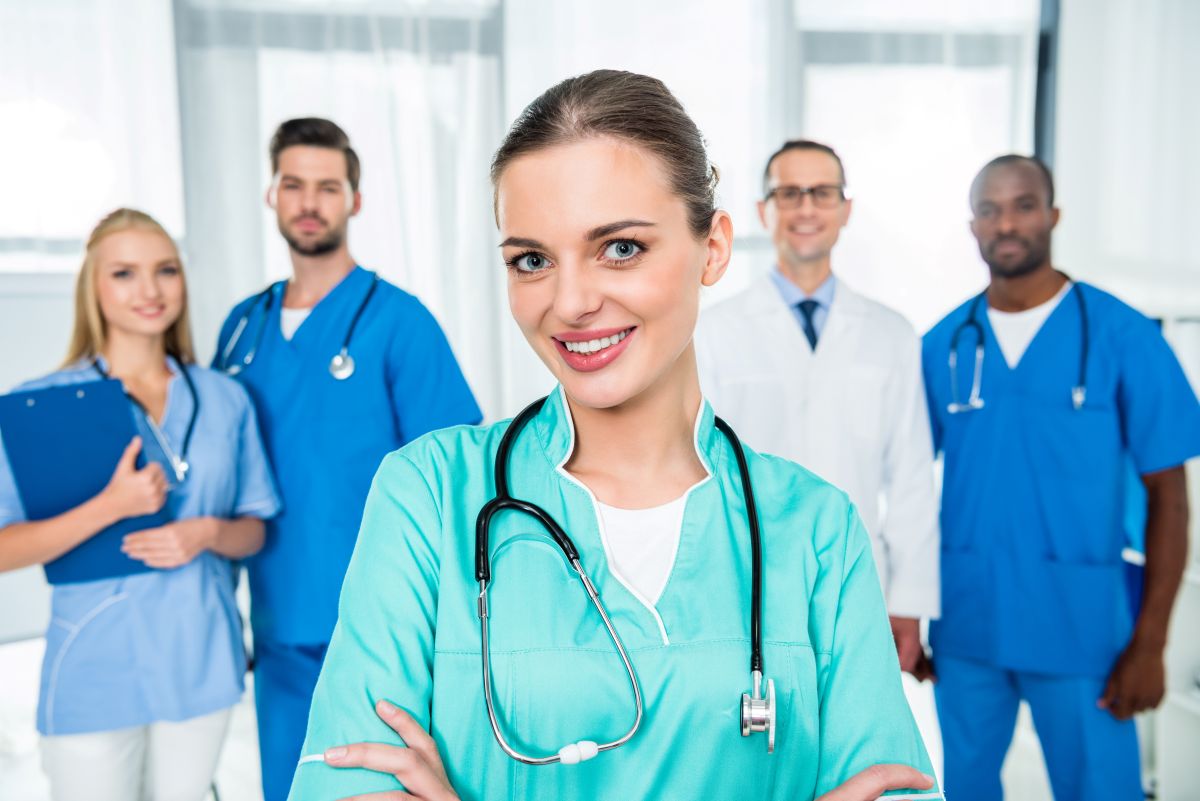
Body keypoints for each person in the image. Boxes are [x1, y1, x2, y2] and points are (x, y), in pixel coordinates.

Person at [286, 71, 940, 801]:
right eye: (532, 260)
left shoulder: (816, 528)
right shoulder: (431, 495)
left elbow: (897, 786)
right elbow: (344, 782)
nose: (570, 302)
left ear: (714, 248)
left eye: (620, 248)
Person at [213, 117, 482, 801]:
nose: (310, 202)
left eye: (328, 187)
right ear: (271, 194)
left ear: (355, 200)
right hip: (277, 624)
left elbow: (456, 478)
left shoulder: (398, 321)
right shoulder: (242, 328)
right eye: (294, 184)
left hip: (377, 627)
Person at [922, 154, 1200, 801]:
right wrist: (905, 610)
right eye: (989, 209)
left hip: (1081, 628)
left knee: (1101, 789)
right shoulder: (945, 345)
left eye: (1023, 205)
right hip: (969, 622)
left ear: (1053, 215)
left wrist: (1151, 643)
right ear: (973, 225)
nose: (1006, 223)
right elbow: (902, 484)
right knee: (966, 789)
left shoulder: (1122, 335)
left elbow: (1170, 498)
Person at [0, 209, 280, 801]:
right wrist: (111, 506)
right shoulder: (39, 406)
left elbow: (255, 528)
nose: (150, 290)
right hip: (94, 666)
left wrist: (206, 532)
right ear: (93, 287)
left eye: (166, 270)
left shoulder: (225, 398)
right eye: (124, 273)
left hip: (200, 657)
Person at [695, 140, 939, 672]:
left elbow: (911, 477)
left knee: (854, 717)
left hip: (861, 578)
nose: (806, 208)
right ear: (763, 210)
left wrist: (909, 603)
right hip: (746, 576)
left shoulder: (892, 334)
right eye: (789, 193)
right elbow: (697, 466)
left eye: (822, 193)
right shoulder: (712, 331)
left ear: (845, 209)